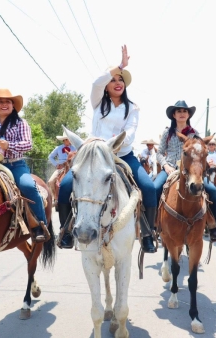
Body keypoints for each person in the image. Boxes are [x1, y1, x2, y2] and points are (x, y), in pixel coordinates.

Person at [57, 45, 159, 253]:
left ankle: (148, 234)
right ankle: (66, 231)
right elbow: (96, 82)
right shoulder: (97, 102)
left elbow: (130, 131)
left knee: (148, 188)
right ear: (106, 85)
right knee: (66, 185)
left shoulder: (133, 108)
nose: (117, 82)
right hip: (95, 155)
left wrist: (118, 141)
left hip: (122, 154)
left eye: (121, 79)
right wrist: (120, 65)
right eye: (113, 79)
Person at [0, 89, 46, 241]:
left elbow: (28, 144)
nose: (4, 104)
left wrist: (9, 146)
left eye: (8, 101)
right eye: (0, 102)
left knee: (28, 186)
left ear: (13, 106)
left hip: (15, 165)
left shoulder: (20, 123)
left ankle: (40, 226)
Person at [154, 100, 216, 242]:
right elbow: (159, 153)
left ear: (188, 115)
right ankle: (155, 225)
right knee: (155, 188)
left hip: (191, 171)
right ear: (174, 114)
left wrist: (204, 162)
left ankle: (214, 226)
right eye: (179, 111)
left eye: (185, 111)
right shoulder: (168, 133)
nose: (182, 113)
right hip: (171, 167)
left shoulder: (195, 134)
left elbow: (200, 152)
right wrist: (166, 166)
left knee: (213, 191)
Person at [47, 132, 76, 206]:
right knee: (51, 181)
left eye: (69, 139)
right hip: (61, 167)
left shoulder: (74, 148)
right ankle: (55, 198)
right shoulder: (58, 148)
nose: (69, 141)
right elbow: (50, 157)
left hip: (72, 167)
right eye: (67, 139)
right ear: (64, 140)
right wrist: (56, 164)